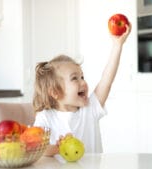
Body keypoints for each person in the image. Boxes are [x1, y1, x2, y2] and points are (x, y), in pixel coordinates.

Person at [33, 23, 131, 156]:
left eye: (82, 77)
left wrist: (117, 45)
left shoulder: (91, 109)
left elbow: (106, 80)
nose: (83, 82)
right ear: (55, 92)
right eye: (75, 78)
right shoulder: (45, 118)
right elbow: (35, 149)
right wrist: (57, 147)